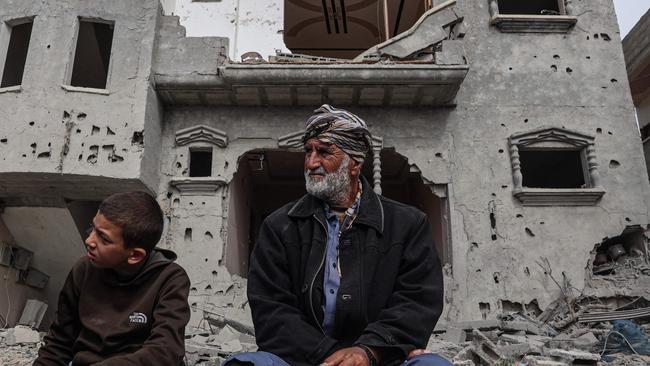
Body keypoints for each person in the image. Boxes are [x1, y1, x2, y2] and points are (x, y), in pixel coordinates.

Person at [225, 105, 450, 366]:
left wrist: (368, 351)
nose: (311, 163)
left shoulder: (407, 224)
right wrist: (329, 356)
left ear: (354, 163)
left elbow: (417, 302)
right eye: (307, 151)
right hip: (303, 360)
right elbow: (271, 310)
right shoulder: (279, 226)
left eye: (323, 152)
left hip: (378, 359)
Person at [33, 191, 191, 366]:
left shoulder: (170, 279)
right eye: (93, 228)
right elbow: (58, 344)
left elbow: (165, 351)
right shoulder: (83, 270)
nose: (89, 240)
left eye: (104, 239)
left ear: (135, 255)